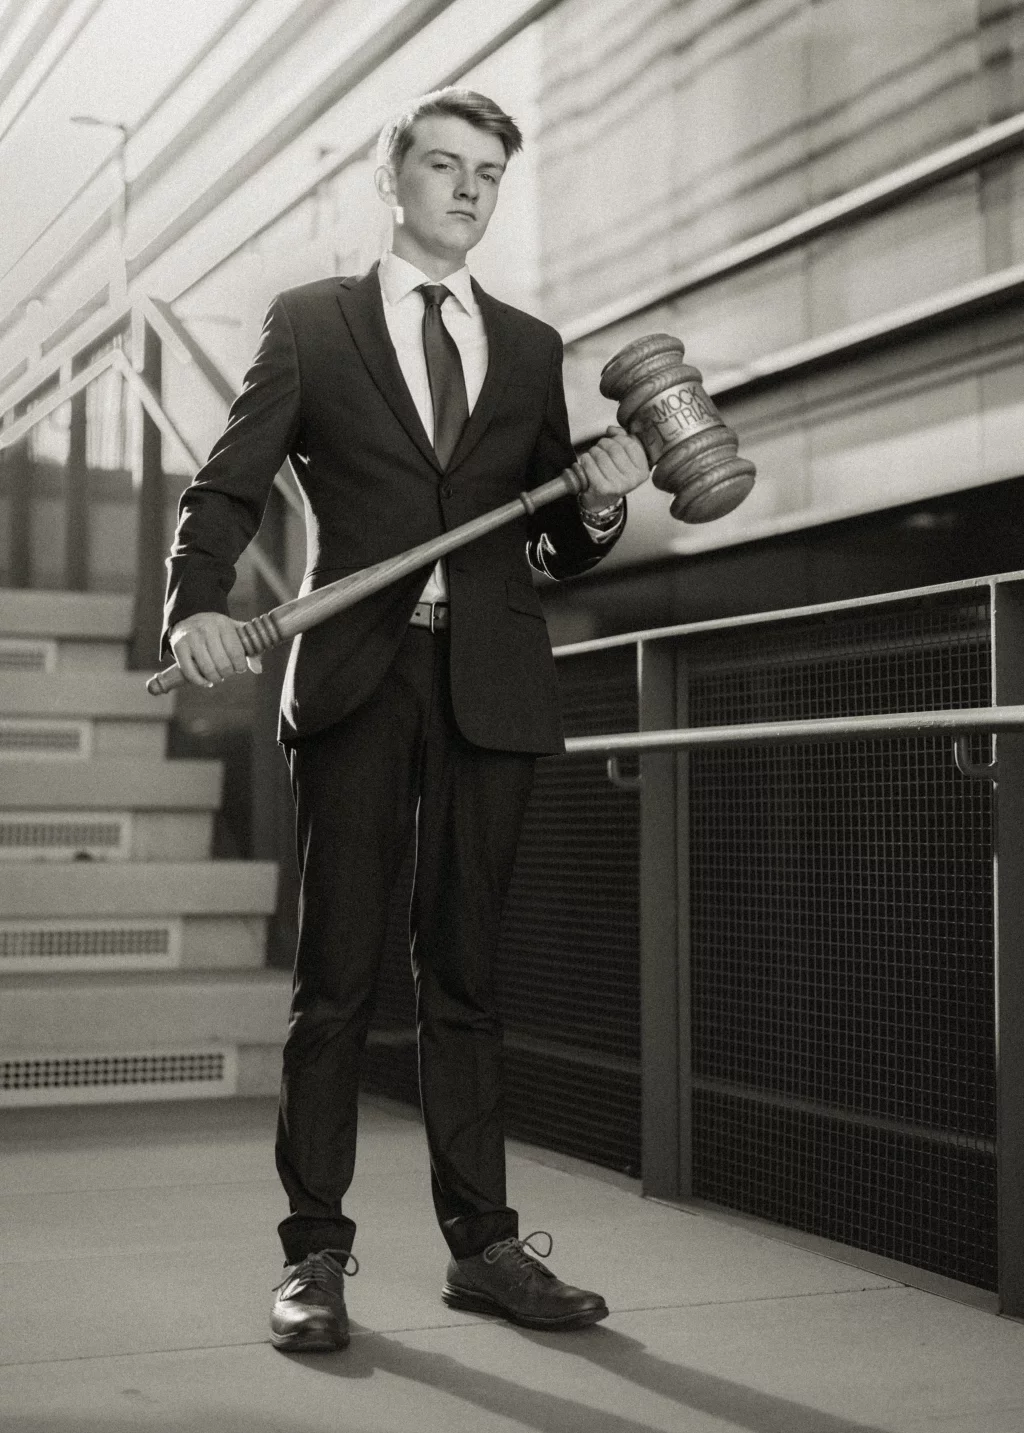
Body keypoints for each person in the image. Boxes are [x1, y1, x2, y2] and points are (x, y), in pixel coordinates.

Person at [162, 88, 651, 1353]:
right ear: (396, 178)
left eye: (489, 170)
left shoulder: (533, 346)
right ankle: (313, 1255)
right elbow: (228, 484)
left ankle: (484, 1247)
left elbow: (548, 537)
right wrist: (193, 610)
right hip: (355, 677)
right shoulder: (312, 323)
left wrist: (595, 501)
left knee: (469, 979)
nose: (469, 188)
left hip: (486, 683)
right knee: (337, 980)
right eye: (445, 164)